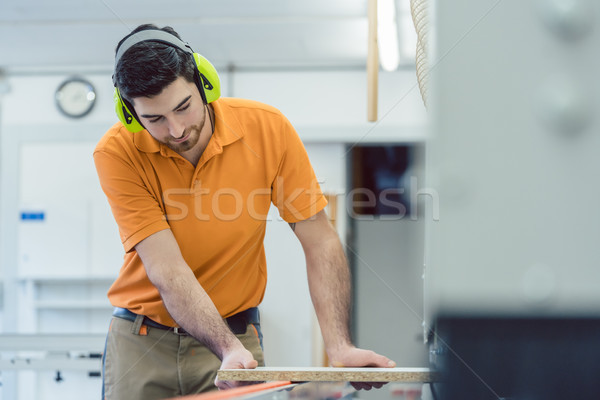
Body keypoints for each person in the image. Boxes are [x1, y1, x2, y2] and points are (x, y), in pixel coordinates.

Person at [94, 24, 395, 400]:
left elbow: (320, 241)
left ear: (204, 82)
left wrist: (340, 346)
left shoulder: (267, 129)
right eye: (154, 119)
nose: (176, 129)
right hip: (141, 342)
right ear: (130, 113)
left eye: (183, 106)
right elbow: (167, 270)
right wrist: (227, 348)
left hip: (237, 338)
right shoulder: (117, 152)